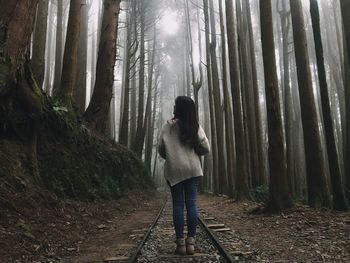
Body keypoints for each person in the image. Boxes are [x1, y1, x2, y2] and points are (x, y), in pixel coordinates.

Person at [158, 96, 210, 255]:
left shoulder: (168, 127)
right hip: (192, 169)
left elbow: (161, 149)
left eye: (175, 105)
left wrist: (173, 156)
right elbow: (205, 148)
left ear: (178, 108)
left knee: (178, 206)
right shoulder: (195, 126)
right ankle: (191, 244)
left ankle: (180, 244)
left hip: (175, 170)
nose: (173, 107)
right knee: (192, 205)